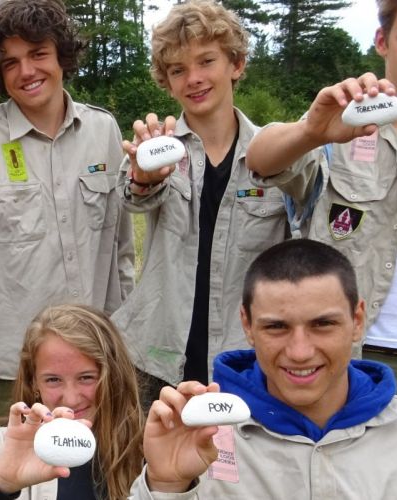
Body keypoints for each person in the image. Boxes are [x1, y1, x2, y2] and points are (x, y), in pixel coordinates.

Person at [245, 0, 397, 437]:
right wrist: (312, 131)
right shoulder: (341, 130)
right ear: (381, 40)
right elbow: (260, 160)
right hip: (354, 363)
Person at [0, 0, 134, 433]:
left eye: (38, 54)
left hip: (95, 360)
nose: (26, 71)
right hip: (7, 366)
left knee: (96, 477)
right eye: (11, 62)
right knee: (5, 479)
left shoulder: (103, 131)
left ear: (61, 57)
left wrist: (122, 336)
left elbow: (121, 250)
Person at [133, 239, 397, 498]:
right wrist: (166, 484)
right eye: (277, 327)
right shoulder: (195, 439)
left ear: (357, 320)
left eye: (322, 324)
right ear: (247, 325)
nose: (299, 352)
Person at [113, 0, 284, 409]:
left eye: (206, 61)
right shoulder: (154, 148)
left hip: (245, 360)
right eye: (177, 70)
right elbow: (133, 193)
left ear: (236, 64)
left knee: (238, 471)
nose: (194, 78)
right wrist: (144, 176)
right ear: (166, 82)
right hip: (158, 358)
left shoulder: (275, 153)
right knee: (156, 469)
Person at [0, 304, 144, 500]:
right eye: (53, 380)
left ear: (114, 376)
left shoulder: (144, 450)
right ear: (34, 383)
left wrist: (166, 485)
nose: (71, 398)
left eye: (86, 378)